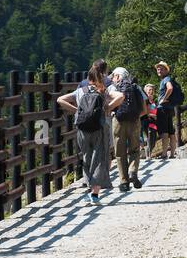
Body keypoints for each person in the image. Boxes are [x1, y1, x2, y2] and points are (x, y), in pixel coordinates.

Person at [57, 59, 122, 203]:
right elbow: (121, 96)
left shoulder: (81, 89)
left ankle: (88, 186)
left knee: (86, 156)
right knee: (99, 158)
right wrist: (108, 108)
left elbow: (60, 99)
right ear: (101, 76)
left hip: (82, 128)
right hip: (100, 127)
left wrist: (77, 111)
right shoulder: (104, 89)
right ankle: (95, 193)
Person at [109, 66, 145, 193]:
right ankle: (133, 172)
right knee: (134, 149)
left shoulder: (113, 88)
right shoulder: (136, 87)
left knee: (120, 152)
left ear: (118, 76)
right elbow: (144, 109)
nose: (112, 78)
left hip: (118, 121)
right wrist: (135, 117)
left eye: (113, 76)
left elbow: (107, 105)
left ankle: (124, 182)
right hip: (134, 121)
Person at [153, 61, 179, 159]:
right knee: (171, 132)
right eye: (158, 69)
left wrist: (163, 99)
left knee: (164, 131)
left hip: (163, 109)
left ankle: (164, 154)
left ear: (166, 70)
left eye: (161, 68)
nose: (159, 70)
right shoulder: (168, 79)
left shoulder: (166, 79)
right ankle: (172, 154)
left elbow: (170, 88)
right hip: (169, 108)